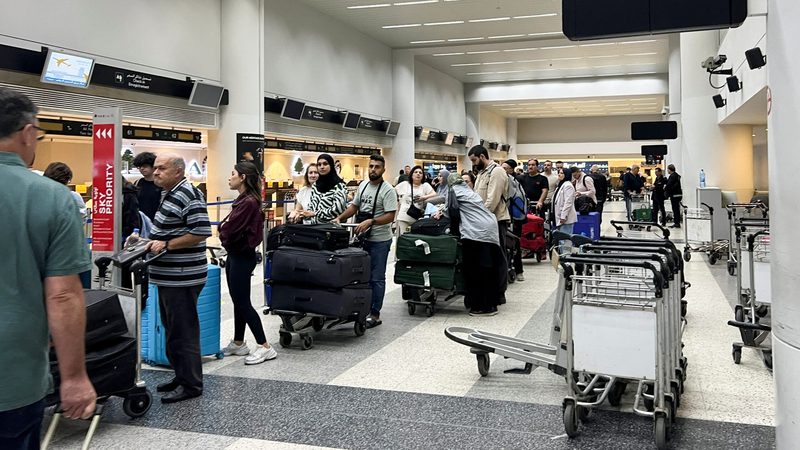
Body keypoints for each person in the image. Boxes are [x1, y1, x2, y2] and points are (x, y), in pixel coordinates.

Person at [0, 88, 96, 447]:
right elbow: (63, 296)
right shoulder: (51, 198)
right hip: (12, 377)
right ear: (27, 133)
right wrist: (73, 377)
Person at [145, 153, 212, 404]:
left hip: (183, 277)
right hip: (169, 276)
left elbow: (202, 231)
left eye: (161, 168)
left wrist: (167, 245)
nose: (156, 172)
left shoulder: (188, 194)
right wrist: (146, 242)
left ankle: (192, 384)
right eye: (155, 168)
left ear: (177, 171)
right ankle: (180, 375)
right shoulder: (169, 193)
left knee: (183, 332)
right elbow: (168, 230)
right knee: (173, 330)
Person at [219, 161, 277, 365]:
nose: (229, 177)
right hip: (236, 255)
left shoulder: (248, 203)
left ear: (242, 177)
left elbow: (229, 230)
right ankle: (238, 341)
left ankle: (264, 346)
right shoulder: (244, 199)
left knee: (243, 302)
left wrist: (223, 234)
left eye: (233, 173)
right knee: (238, 300)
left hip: (242, 256)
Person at [333, 155, 397, 328]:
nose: (373, 170)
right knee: (362, 277)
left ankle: (375, 313)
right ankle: (363, 307)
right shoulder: (363, 186)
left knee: (377, 278)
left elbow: (391, 215)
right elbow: (354, 206)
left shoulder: (388, 190)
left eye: (377, 167)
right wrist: (340, 218)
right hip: (363, 239)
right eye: (371, 166)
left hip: (380, 240)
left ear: (383, 169)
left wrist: (372, 221)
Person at [434, 173, 506, 316]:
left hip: (475, 233)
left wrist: (442, 214)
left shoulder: (452, 191)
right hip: (490, 230)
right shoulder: (470, 191)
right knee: (489, 268)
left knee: (475, 270)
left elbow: (451, 212)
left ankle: (481, 306)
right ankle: (492, 302)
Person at [468, 145, 509, 248]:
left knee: (498, 253)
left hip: (495, 220)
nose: (473, 164)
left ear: (482, 156)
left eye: (474, 160)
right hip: (485, 219)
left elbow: (492, 200)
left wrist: (480, 216)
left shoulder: (496, 171)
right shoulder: (481, 173)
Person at [301, 154, 348, 224]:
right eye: (319, 165)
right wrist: (305, 214)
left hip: (331, 228)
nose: (322, 167)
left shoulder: (339, 186)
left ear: (331, 166)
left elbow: (337, 210)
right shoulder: (315, 185)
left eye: (325, 164)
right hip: (314, 228)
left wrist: (315, 213)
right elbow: (311, 207)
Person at [501, 159, 526, 282]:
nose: (503, 169)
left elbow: (506, 198)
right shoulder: (514, 180)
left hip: (512, 219)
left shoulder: (510, 181)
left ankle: (519, 270)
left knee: (514, 244)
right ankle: (516, 270)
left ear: (511, 169)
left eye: (505, 168)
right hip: (514, 218)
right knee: (513, 244)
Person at [394, 165, 436, 236]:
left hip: (417, 218)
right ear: (412, 174)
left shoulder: (425, 186)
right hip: (404, 217)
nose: (418, 174)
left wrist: (424, 197)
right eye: (415, 172)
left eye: (420, 172)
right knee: (404, 238)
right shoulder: (405, 184)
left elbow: (434, 194)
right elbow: (393, 191)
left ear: (423, 175)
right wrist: (398, 201)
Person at [133, 151, 162, 221]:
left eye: (145, 166)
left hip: (157, 222)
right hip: (141, 222)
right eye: (139, 167)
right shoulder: (138, 182)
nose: (141, 169)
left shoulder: (161, 183)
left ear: (153, 167)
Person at [552, 167, 577, 234]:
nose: (559, 174)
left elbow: (568, 202)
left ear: (567, 174)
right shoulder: (561, 185)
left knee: (565, 239)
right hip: (559, 217)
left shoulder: (568, 186)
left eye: (562, 173)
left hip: (565, 218)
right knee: (561, 239)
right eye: (559, 173)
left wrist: (563, 216)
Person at [665, 164, 683, 228]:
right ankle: (677, 222)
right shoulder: (677, 175)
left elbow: (669, 185)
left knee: (675, 209)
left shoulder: (672, 176)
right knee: (676, 209)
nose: (667, 171)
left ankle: (676, 223)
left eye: (668, 169)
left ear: (670, 169)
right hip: (678, 194)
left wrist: (665, 188)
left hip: (674, 195)